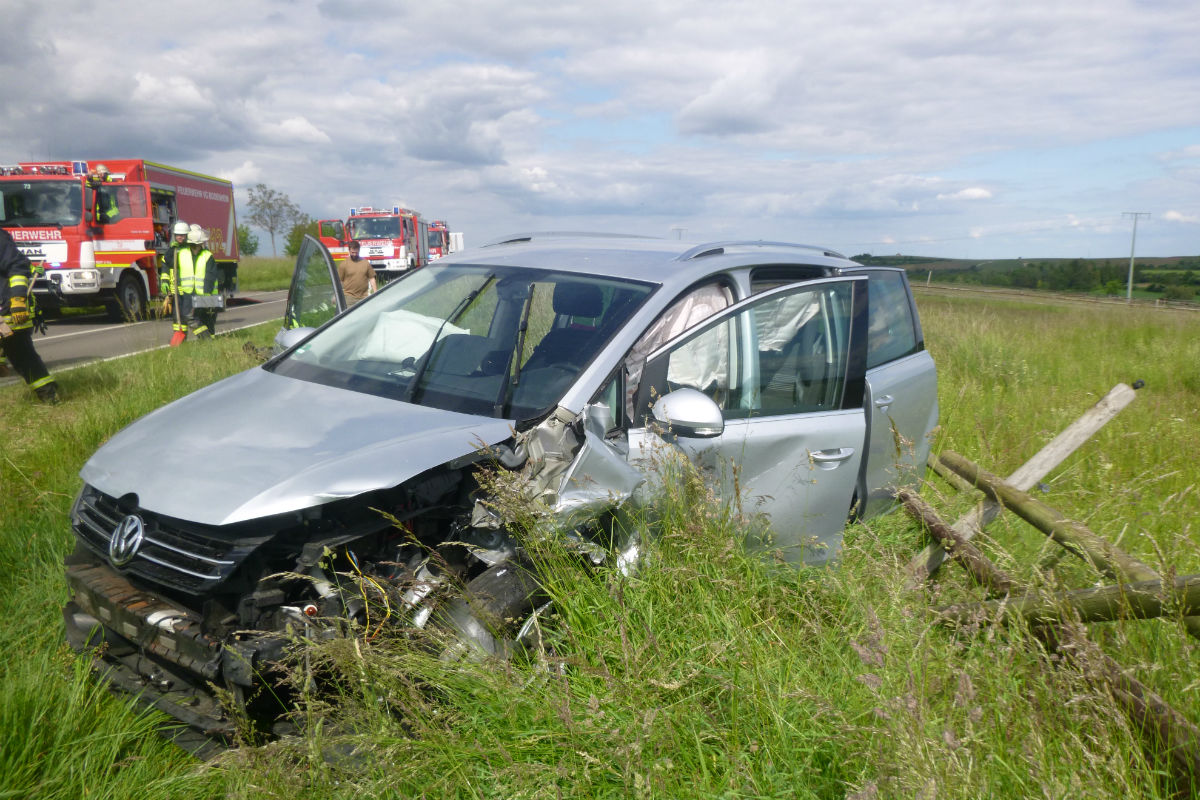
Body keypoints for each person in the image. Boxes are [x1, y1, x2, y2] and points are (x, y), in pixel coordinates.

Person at [0, 228, 58, 403]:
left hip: (9, 311)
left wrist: (17, 300)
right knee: (23, 356)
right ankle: (49, 394)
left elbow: (17, 265)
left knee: (22, 355)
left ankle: (49, 396)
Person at [337, 239, 376, 305]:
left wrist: (375, 292)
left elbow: (372, 278)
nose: (354, 254)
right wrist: (337, 295)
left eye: (356, 253)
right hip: (349, 298)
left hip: (364, 297)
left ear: (359, 251)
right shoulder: (344, 264)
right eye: (352, 252)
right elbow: (340, 281)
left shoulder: (365, 263)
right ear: (349, 250)